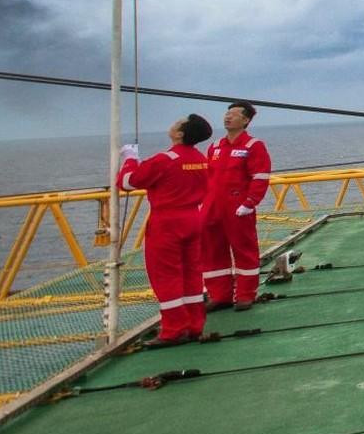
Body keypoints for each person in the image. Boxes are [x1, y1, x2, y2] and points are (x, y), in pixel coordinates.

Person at [117, 114, 213, 346]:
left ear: (180, 133)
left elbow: (128, 181)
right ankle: (193, 325)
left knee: (166, 276)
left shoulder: (165, 159)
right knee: (191, 273)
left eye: (178, 122)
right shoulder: (201, 159)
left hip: (167, 221)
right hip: (193, 217)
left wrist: (130, 158)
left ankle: (173, 329)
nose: (174, 123)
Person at [202, 101, 272, 311]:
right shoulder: (215, 147)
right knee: (212, 251)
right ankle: (219, 295)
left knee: (244, 249)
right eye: (227, 113)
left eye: (234, 114)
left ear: (246, 120)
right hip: (213, 206)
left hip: (237, 206)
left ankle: (245, 295)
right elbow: (207, 177)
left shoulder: (253, 146)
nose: (228, 117)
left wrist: (250, 203)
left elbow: (260, 176)